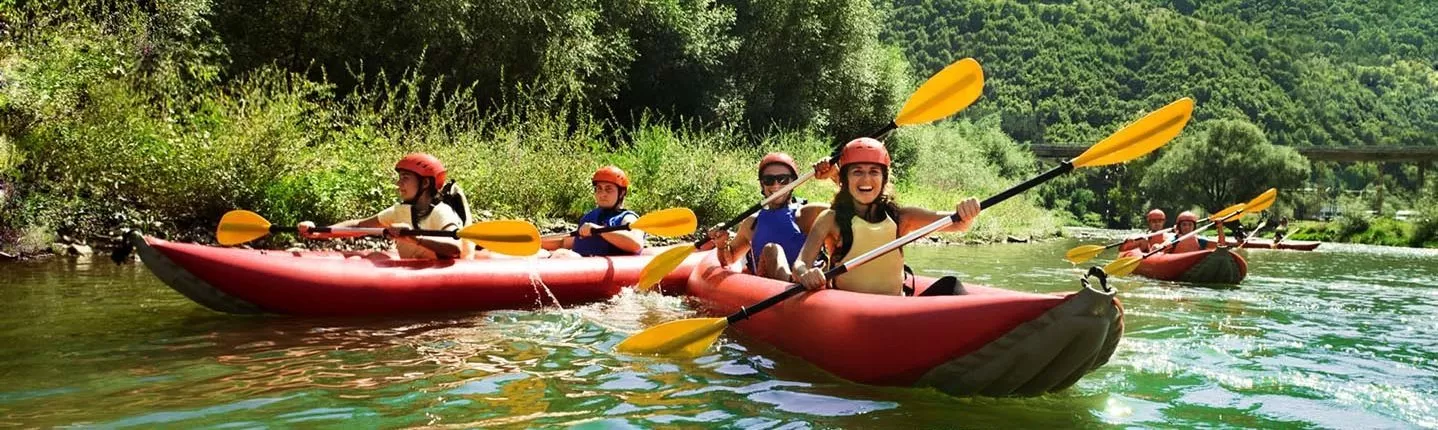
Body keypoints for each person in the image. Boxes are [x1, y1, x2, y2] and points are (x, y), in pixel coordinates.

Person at [791, 138, 982, 296]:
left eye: (874, 171)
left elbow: (959, 225)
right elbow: (800, 264)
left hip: (895, 309)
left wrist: (967, 211)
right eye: (857, 171)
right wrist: (805, 273)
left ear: (884, 178)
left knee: (952, 285)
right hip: (851, 310)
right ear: (845, 179)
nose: (866, 179)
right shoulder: (830, 219)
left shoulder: (902, 217)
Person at [297, 153, 465, 259]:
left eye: (405, 178)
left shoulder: (442, 212)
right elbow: (358, 225)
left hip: (439, 273)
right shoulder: (399, 211)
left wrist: (413, 237)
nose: (398, 184)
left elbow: (454, 249)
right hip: (412, 270)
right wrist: (319, 232)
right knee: (374, 257)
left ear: (425, 183)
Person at [706, 152, 828, 280]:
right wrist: (721, 244)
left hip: (809, 284)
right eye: (769, 180)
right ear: (762, 185)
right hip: (770, 288)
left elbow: (848, 212)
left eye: (783, 179)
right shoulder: (752, 222)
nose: (776, 185)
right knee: (771, 250)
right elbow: (728, 260)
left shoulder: (808, 214)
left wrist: (835, 176)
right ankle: (790, 281)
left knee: (772, 249)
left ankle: (796, 280)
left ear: (794, 182)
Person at [543, 165, 645, 257]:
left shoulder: (628, 218)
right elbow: (565, 243)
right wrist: (535, 243)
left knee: (563, 254)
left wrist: (599, 230)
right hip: (581, 269)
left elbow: (636, 244)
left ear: (622, 193)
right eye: (599, 189)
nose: (602, 194)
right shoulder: (589, 217)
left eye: (608, 189)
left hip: (610, 273)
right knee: (542, 254)